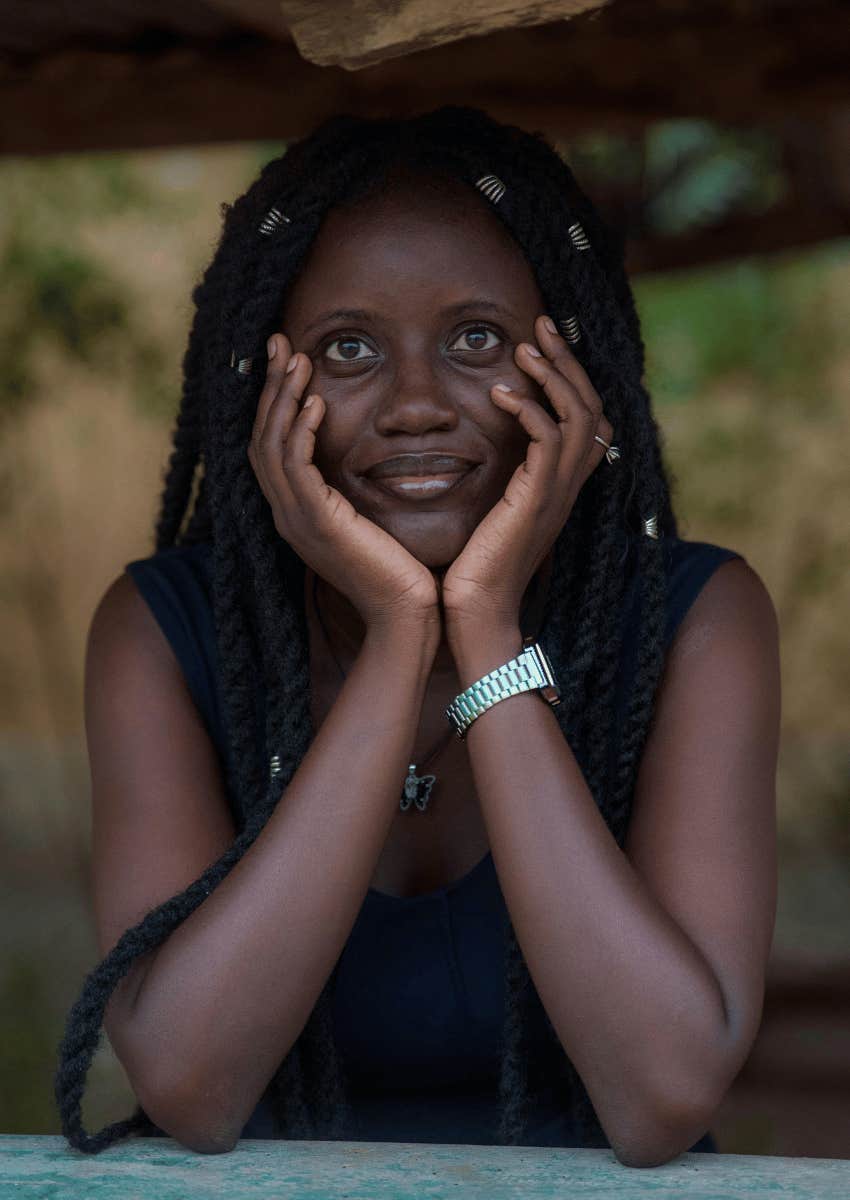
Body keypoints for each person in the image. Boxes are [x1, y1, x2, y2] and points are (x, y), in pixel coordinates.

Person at [55, 107, 780, 1166]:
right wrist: (401, 633)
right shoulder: (164, 635)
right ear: (264, 390)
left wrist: (483, 623)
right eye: (348, 348)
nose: (415, 405)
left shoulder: (697, 623)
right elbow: (192, 1085)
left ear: (574, 369)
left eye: (475, 338)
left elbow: (661, 1097)